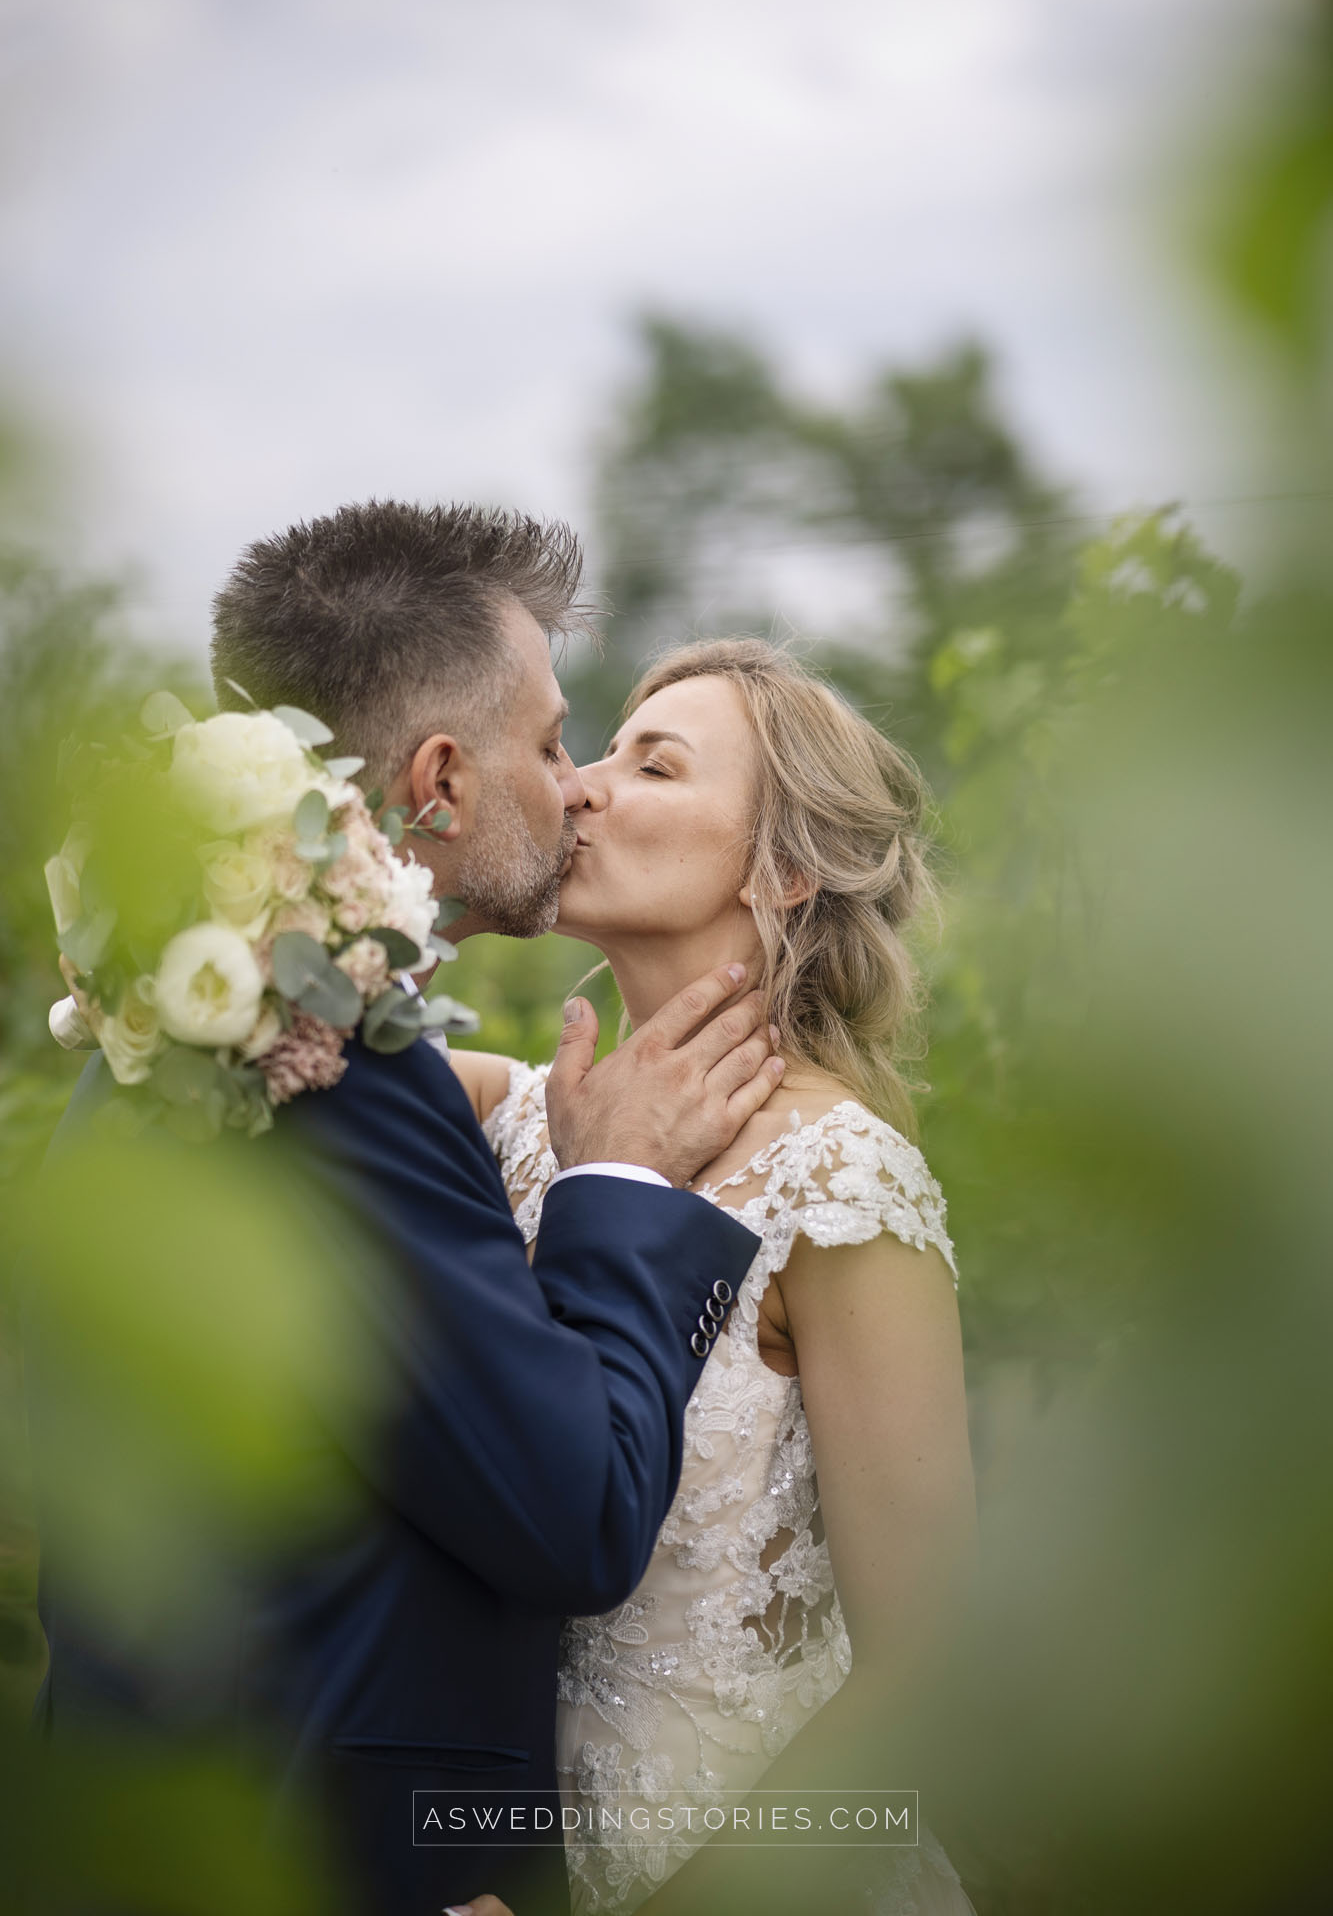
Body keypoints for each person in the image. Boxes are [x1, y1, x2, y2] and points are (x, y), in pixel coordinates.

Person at [24, 504, 789, 1916]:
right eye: (552, 744)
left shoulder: (175, 1021)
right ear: (440, 778)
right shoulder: (331, 1074)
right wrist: (618, 1181)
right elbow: (576, 1515)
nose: (577, 788)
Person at [449, 638, 979, 1916]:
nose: (577, 785)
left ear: (782, 869)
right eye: (588, 751)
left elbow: (929, 1667)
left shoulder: (840, 1182)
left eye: (653, 765)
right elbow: (317, 1016)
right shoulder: (508, 1120)